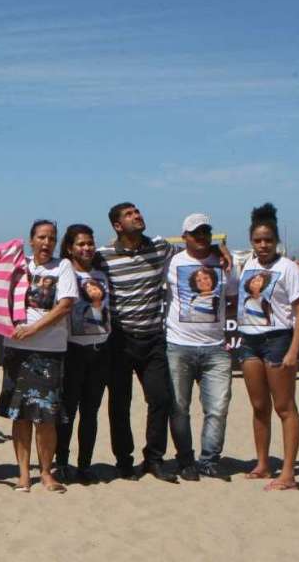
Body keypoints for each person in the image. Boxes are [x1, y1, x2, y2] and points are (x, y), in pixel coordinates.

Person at [96, 202, 178, 482]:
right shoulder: (103, 256)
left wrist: (221, 252)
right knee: (120, 403)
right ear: (118, 226)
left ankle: (154, 459)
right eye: (130, 215)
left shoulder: (160, 247)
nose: (138, 216)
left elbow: (192, 255)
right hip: (119, 340)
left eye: (138, 211)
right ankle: (124, 461)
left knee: (161, 399)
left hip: (153, 338)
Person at [0, 220, 75, 493]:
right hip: (17, 350)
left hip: (49, 350)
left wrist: (32, 329)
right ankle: (22, 474)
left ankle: (46, 473)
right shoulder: (18, 268)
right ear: (31, 240)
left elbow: (64, 305)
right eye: (41, 237)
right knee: (20, 415)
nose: (46, 242)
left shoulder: (62, 266)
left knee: (46, 416)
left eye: (52, 238)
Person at [236, 203, 299, 491]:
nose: (263, 245)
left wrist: (293, 350)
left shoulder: (288, 268)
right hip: (249, 341)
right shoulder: (249, 265)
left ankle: (288, 473)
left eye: (268, 240)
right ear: (251, 241)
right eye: (257, 240)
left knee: (284, 407)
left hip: (277, 340)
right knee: (258, 406)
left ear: (276, 240)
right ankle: (263, 463)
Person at [165, 213, 238, 482]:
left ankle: (209, 460)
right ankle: (186, 460)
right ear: (185, 237)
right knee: (179, 408)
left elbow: (232, 299)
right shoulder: (172, 262)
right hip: (178, 346)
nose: (202, 237)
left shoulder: (224, 264)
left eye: (206, 232)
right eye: (196, 233)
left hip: (216, 348)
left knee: (218, 408)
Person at [54, 224, 110, 484]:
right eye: (80, 244)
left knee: (91, 412)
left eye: (90, 243)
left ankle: (85, 464)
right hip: (72, 350)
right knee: (67, 411)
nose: (86, 248)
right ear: (69, 248)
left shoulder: (102, 272)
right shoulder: (63, 274)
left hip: (100, 350)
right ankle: (62, 462)